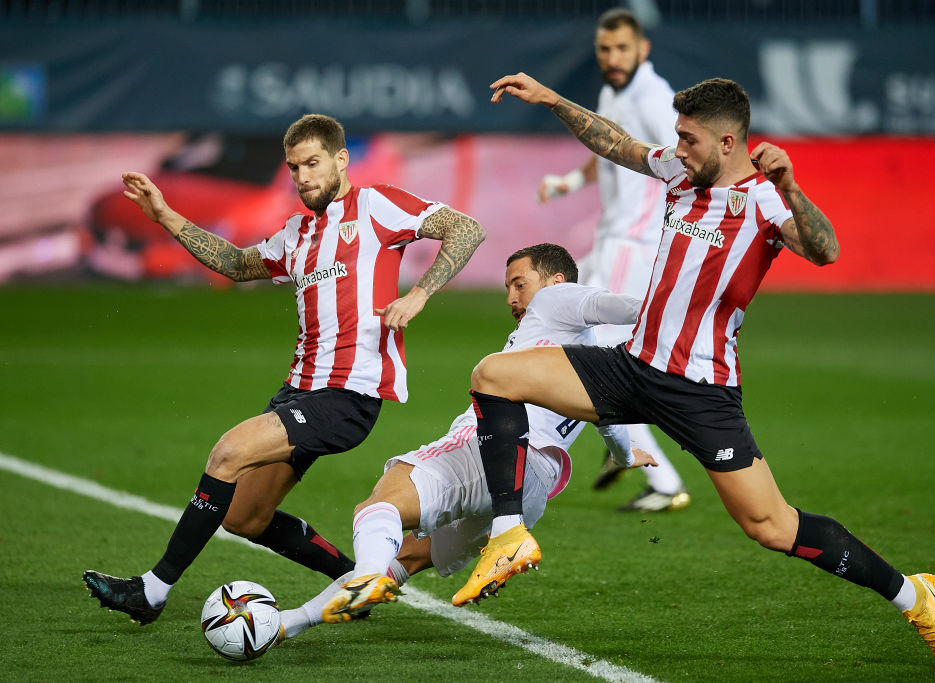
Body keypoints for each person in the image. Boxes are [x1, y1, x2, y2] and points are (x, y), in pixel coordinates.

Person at [453, 74, 935, 670]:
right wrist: (552, 101)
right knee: (495, 374)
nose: (676, 147)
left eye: (688, 139)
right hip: (633, 365)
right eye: (677, 137)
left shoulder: (766, 201)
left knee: (772, 526)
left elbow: (826, 250)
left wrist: (793, 188)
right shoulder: (679, 171)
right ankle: (509, 535)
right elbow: (617, 145)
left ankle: (913, 595)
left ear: (727, 143)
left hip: (701, 390)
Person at [83, 113, 486, 626]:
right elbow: (233, 263)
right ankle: (355, 581)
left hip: (347, 395)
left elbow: (466, 228)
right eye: (294, 167)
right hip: (297, 393)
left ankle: (152, 591)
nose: (302, 177)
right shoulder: (296, 233)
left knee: (227, 452)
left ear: (342, 160)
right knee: (244, 517)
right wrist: (164, 215)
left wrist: (420, 293)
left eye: (313, 163)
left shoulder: (376, 205)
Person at [274, 243, 655, 637]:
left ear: (555, 280)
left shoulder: (556, 299)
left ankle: (367, 576)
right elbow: (609, 423)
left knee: (382, 502)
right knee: (406, 556)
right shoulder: (596, 359)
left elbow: (621, 305)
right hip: (532, 490)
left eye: (519, 284)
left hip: (492, 453)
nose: (511, 297)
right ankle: (287, 624)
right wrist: (625, 458)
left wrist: (671, 313)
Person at [538, 8, 689, 512]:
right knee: (574, 329)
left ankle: (650, 467)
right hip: (612, 239)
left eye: (622, 48)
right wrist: (571, 181)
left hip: (637, 243)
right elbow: (608, 144)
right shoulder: (613, 93)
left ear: (642, 49)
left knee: (599, 353)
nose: (613, 58)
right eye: (605, 49)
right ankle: (620, 440)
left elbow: (685, 161)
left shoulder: (653, 97)